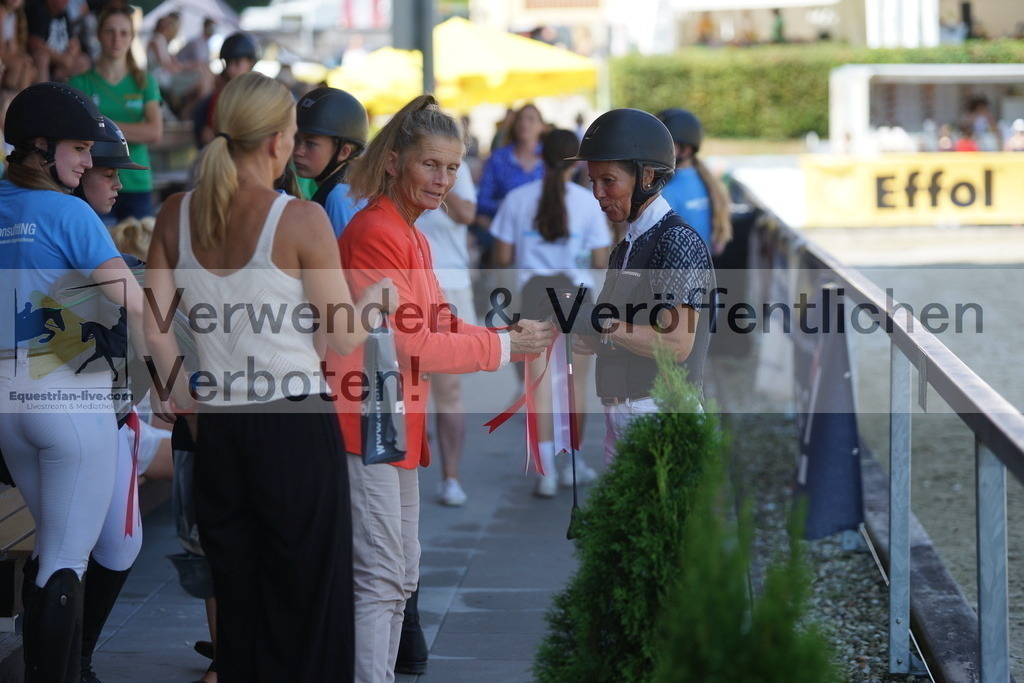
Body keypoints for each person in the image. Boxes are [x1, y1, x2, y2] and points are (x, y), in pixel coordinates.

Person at [144, 71, 394, 682]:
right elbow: (341, 334)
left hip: (220, 424)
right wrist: (379, 300)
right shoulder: (301, 219)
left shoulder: (176, 213)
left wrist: (187, 405)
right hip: (295, 423)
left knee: (240, 596)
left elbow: (151, 328)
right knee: (309, 597)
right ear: (279, 142)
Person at [327, 94, 555, 683]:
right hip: (366, 422)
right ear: (395, 161)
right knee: (382, 577)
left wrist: (505, 335)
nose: (444, 180)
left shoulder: (409, 231)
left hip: (388, 422)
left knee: (399, 574)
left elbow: (438, 322)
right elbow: (415, 343)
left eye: (453, 168)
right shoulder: (379, 230)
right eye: (432, 165)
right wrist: (505, 347)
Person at [0, 81, 151, 681]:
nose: (91, 162)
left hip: (11, 411)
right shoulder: (68, 212)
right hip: (72, 402)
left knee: (52, 552)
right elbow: (137, 306)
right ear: (42, 145)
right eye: (81, 148)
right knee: (64, 561)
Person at [67, 117, 170, 683]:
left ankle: (74, 660)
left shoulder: (85, 225)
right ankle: (70, 663)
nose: (115, 185)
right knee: (84, 547)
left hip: (105, 411)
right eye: (105, 172)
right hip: (82, 411)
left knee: (112, 545)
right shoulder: (72, 220)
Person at [556, 108, 714, 463]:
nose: (597, 193)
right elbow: (618, 338)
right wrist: (573, 327)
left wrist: (600, 322)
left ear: (647, 178)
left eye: (608, 181)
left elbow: (675, 344)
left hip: (661, 415)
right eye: (592, 180)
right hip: (624, 414)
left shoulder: (676, 241)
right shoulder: (627, 245)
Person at [491, 128, 611, 496]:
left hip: (531, 296)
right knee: (575, 385)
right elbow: (600, 259)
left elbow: (502, 257)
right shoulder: (590, 202)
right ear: (576, 164)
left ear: (542, 157)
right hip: (577, 297)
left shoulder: (516, 198)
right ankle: (571, 461)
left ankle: (545, 471)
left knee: (538, 386)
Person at [414, 161, 477, 506]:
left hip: (449, 286)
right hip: (407, 284)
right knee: (406, 383)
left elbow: (467, 214)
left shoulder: (457, 170)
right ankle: (401, 470)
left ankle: (450, 477)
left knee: (448, 387)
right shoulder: (401, 162)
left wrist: (442, 180)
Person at [69, 5, 163, 222]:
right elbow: (75, 134)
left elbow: (154, 132)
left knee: (137, 253)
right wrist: (128, 130)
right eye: (110, 31)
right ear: (99, 35)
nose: (116, 39)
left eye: (123, 33)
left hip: (137, 182)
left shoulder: (145, 81)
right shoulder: (80, 82)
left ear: (132, 38)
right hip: (93, 184)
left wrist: (100, 124)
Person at [292, 85, 368, 237]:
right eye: (296, 139)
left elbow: (345, 258)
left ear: (343, 152)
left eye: (310, 143)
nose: (298, 151)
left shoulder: (339, 196)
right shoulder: (345, 187)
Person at [657, 108, 732, 255]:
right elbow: (718, 248)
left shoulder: (667, 192)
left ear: (685, 150)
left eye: (665, 143)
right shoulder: (708, 183)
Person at [475, 103, 546, 229]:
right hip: (506, 229)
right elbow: (482, 201)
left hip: (541, 230)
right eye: (520, 118)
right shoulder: (498, 158)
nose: (524, 123)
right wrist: (508, 205)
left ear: (542, 126)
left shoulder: (549, 159)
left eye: (531, 119)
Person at [193, 31, 259, 148]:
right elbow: (205, 136)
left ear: (251, 62)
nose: (231, 69)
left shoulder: (259, 95)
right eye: (228, 63)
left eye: (237, 63)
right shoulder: (214, 98)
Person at [25, 0, 89, 81]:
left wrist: (69, 57)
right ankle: (43, 91)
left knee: (83, 61)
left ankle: (65, 90)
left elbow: (74, 43)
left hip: (61, 65)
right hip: (47, 61)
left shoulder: (64, 13)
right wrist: (60, 59)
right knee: (42, 57)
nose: (66, 1)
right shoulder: (38, 11)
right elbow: (35, 44)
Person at [0, 0, 34, 93]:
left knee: (28, 68)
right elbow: (1, 48)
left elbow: (14, 47)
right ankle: (6, 101)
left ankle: (21, 101)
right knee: (17, 65)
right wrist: (18, 58)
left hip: (6, 54)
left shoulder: (13, 15)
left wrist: (22, 57)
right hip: (2, 55)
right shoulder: (1, 11)